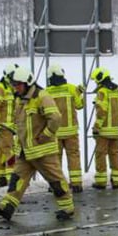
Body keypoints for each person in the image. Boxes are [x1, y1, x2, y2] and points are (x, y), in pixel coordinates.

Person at [0, 67, 75, 222]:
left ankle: (67, 208)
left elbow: (55, 118)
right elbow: (20, 124)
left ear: (27, 83)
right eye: (14, 85)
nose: (15, 88)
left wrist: (45, 136)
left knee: (56, 180)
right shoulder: (20, 99)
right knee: (17, 179)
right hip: (25, 152)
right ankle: (7, 207)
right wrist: (4, 127)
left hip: (43, 152)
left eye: (18, 85)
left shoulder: (42, 96)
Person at [45, 64, 85, 192]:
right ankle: (76, 183)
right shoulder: (71, 89)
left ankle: (56, 184)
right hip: (71, 131)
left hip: (54, 132)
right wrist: (79, 94)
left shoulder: (46, 92)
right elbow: (79, 106)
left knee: (55, 160)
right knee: (73, 156)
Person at [90, 67, 118, 189]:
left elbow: (101, 112)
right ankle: (116, 181)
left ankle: (101, 181)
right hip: (115, 130)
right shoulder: (117, 91)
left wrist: (96, 127)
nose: (96, 83)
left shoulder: (102, 92)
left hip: (104, 131)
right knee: (114, 154)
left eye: (96, 80)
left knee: (100, 155)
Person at [0, 63, 19, 187]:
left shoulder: (11, 89)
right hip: (3, 127)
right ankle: (11, 178)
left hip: (11, 127)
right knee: (9, 152)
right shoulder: (0, 88)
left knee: (1, 151)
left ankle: (0, 177)